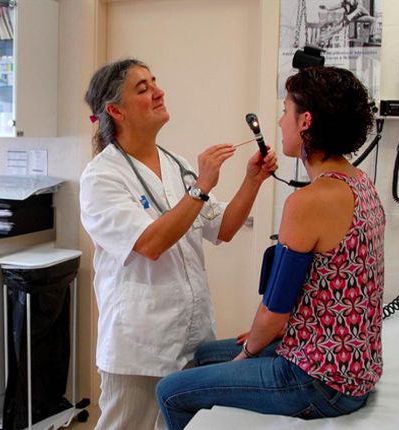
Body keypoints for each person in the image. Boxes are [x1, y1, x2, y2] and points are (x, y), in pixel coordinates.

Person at [157, 66, 385, 429]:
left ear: (305, 121)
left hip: (320, 380)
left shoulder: (309, 201)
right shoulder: (360, 183)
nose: (279, 123)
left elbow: (274, 311)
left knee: (170, 391)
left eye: (285, 111)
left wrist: (246, 356)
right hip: (352, 364)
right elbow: (333, 285)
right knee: (203, 355)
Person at [79, 58, 278, 430]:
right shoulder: (101, 177)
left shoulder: (175, 164)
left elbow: (223, 228)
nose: (158, 91)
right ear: (115, 110)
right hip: (139, 346)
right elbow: (151, 244)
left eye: (155, 82)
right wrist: (200, 187)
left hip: (192, 336)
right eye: (143, 88)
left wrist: (253, 179)